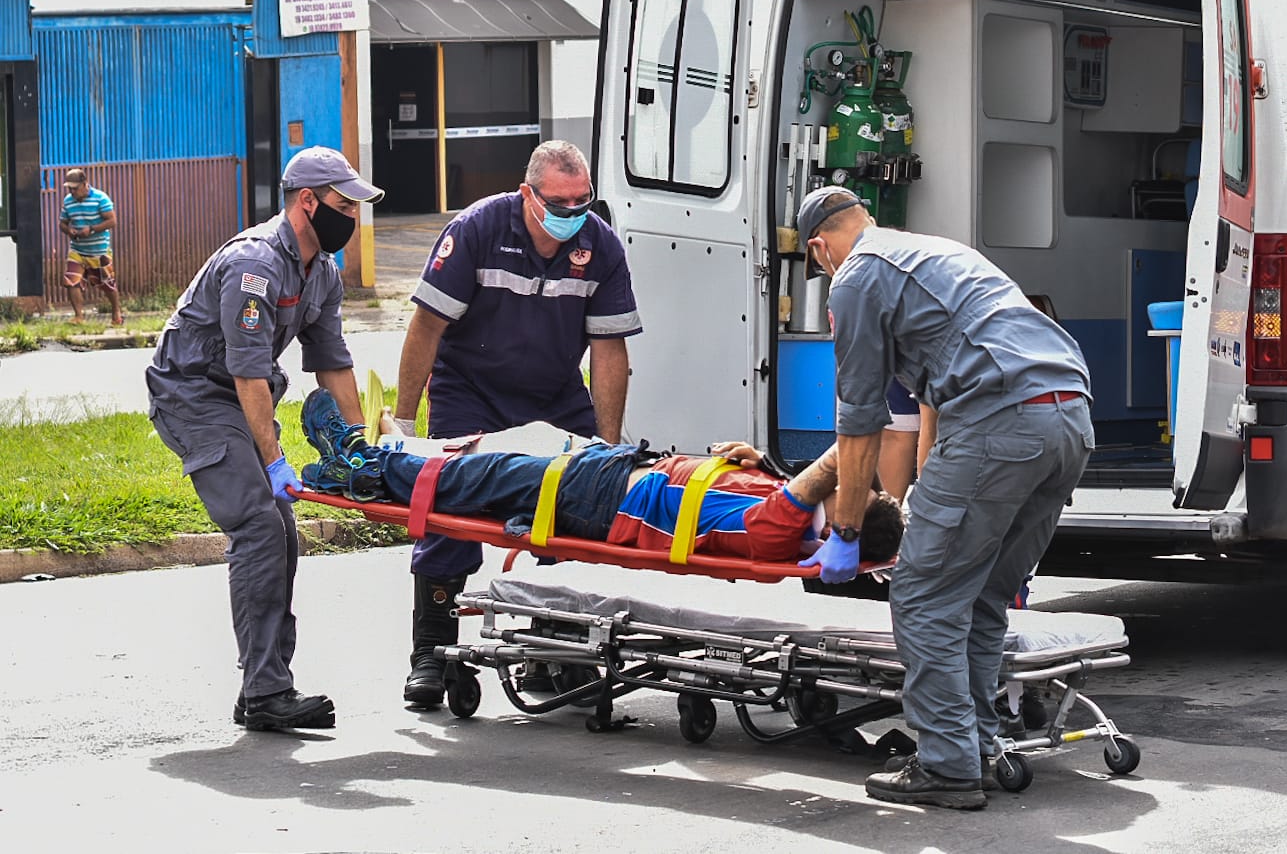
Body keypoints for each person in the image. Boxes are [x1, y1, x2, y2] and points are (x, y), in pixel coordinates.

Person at [794, 185, 1094, 811]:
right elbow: (936, 388)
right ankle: (978, 747)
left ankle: (946, 765)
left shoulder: (854, 277)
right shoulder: (934, 251)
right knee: (981, 593)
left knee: (924, 595)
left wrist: (845, 531)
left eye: (815, 260)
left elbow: (859, 421)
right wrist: (931, 480)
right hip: (1069, 419)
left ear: (820, 245)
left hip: (1001, 421)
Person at [393, 139, 641, 708]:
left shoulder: (599, 245)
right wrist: (405, 426)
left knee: (575, 511)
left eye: (583, 202)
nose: (573, 215)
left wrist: (606, 445)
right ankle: (430, 650)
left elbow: (609, 351)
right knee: (449, 512)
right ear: (528, 195)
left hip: (553, 394)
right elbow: (426, 327)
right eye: (561, 203)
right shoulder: (478, 229)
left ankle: (552, 648)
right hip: (470, 390)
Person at [145, 147, 384, 732]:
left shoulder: (320, 272)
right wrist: (275, 461)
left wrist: (361, 445)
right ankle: (265, 693)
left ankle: (264, 682)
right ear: (309, 201)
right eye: (344, 204)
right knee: (258, 524)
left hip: (239, 396)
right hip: (194, 397)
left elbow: (332, 363)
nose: (352, 217)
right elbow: (247, 372)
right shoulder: (254, 264)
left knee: (282, 531)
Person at [296, 389, 902, 565]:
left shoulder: (782, 530)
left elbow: (834, 463)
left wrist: (851, 480)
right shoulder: (787, 512)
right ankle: (390, 458)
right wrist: (756, 460)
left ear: (846, 510)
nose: (861, 483)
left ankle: (367, 466)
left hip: (603, 497)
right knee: (494, 456)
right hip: (614, 474)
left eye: (863, 492)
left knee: (481, 477)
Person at [59, 167, 123, 326]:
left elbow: (112, 221)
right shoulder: (68, 201)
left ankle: (116, 313)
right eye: (69, 188)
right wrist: (69, 231)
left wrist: (92, 229)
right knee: (71, 280)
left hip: (99, 250)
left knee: (107, 284)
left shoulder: (101, 198)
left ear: (85, 184)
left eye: (75, 188)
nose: (72, 191)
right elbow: (62, 223)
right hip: (77, 249)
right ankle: (79, 316)